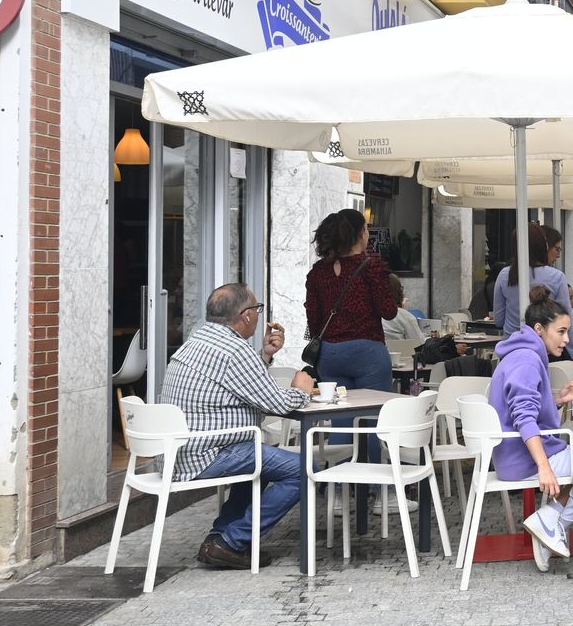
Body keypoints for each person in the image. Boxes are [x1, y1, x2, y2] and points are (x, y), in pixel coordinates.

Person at [162, 284, 315, 569]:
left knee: (257, 459)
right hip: (209, 453)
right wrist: (302, 390)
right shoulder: (234, 350)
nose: (258, 315)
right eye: (257, 309)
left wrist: (265, 355)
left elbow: (239, 384)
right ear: (246, 315)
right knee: (305, 469)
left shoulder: (197, 341)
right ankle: (231, 541)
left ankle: (219, 540)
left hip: (181, 452)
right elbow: (278, 403)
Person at [489, 285, 573, 572]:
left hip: (513, 454)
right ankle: (551, 523)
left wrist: (558, 400)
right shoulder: (526, 360)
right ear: (539, 329)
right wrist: (544, 467)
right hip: (523, 459)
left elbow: (523, 410)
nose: (567, 339)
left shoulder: (522, 354)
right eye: (561, 331)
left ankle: (550, 524)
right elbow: (524, 418)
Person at [305, 209, 396, 407]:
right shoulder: (371, 267)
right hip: (367, 352)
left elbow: (313, 317)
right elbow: (389, 311)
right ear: (361, 234)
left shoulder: (318, 272)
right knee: (374, 415)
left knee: (339, 415)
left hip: (329, 354)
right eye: (366, 229)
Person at [493, 225, 573, 346]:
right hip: (544, 347)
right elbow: (566, 320)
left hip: (511, 347)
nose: (558, 255)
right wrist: (572, 352)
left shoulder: (504, 275)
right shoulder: (556, 277)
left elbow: (499, 320)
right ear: (543, 246)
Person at [382, 274, 425, 345]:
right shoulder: (405, 316)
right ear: (399, 292)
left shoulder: (368, 316)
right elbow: (420, 344)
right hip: (401, 352)